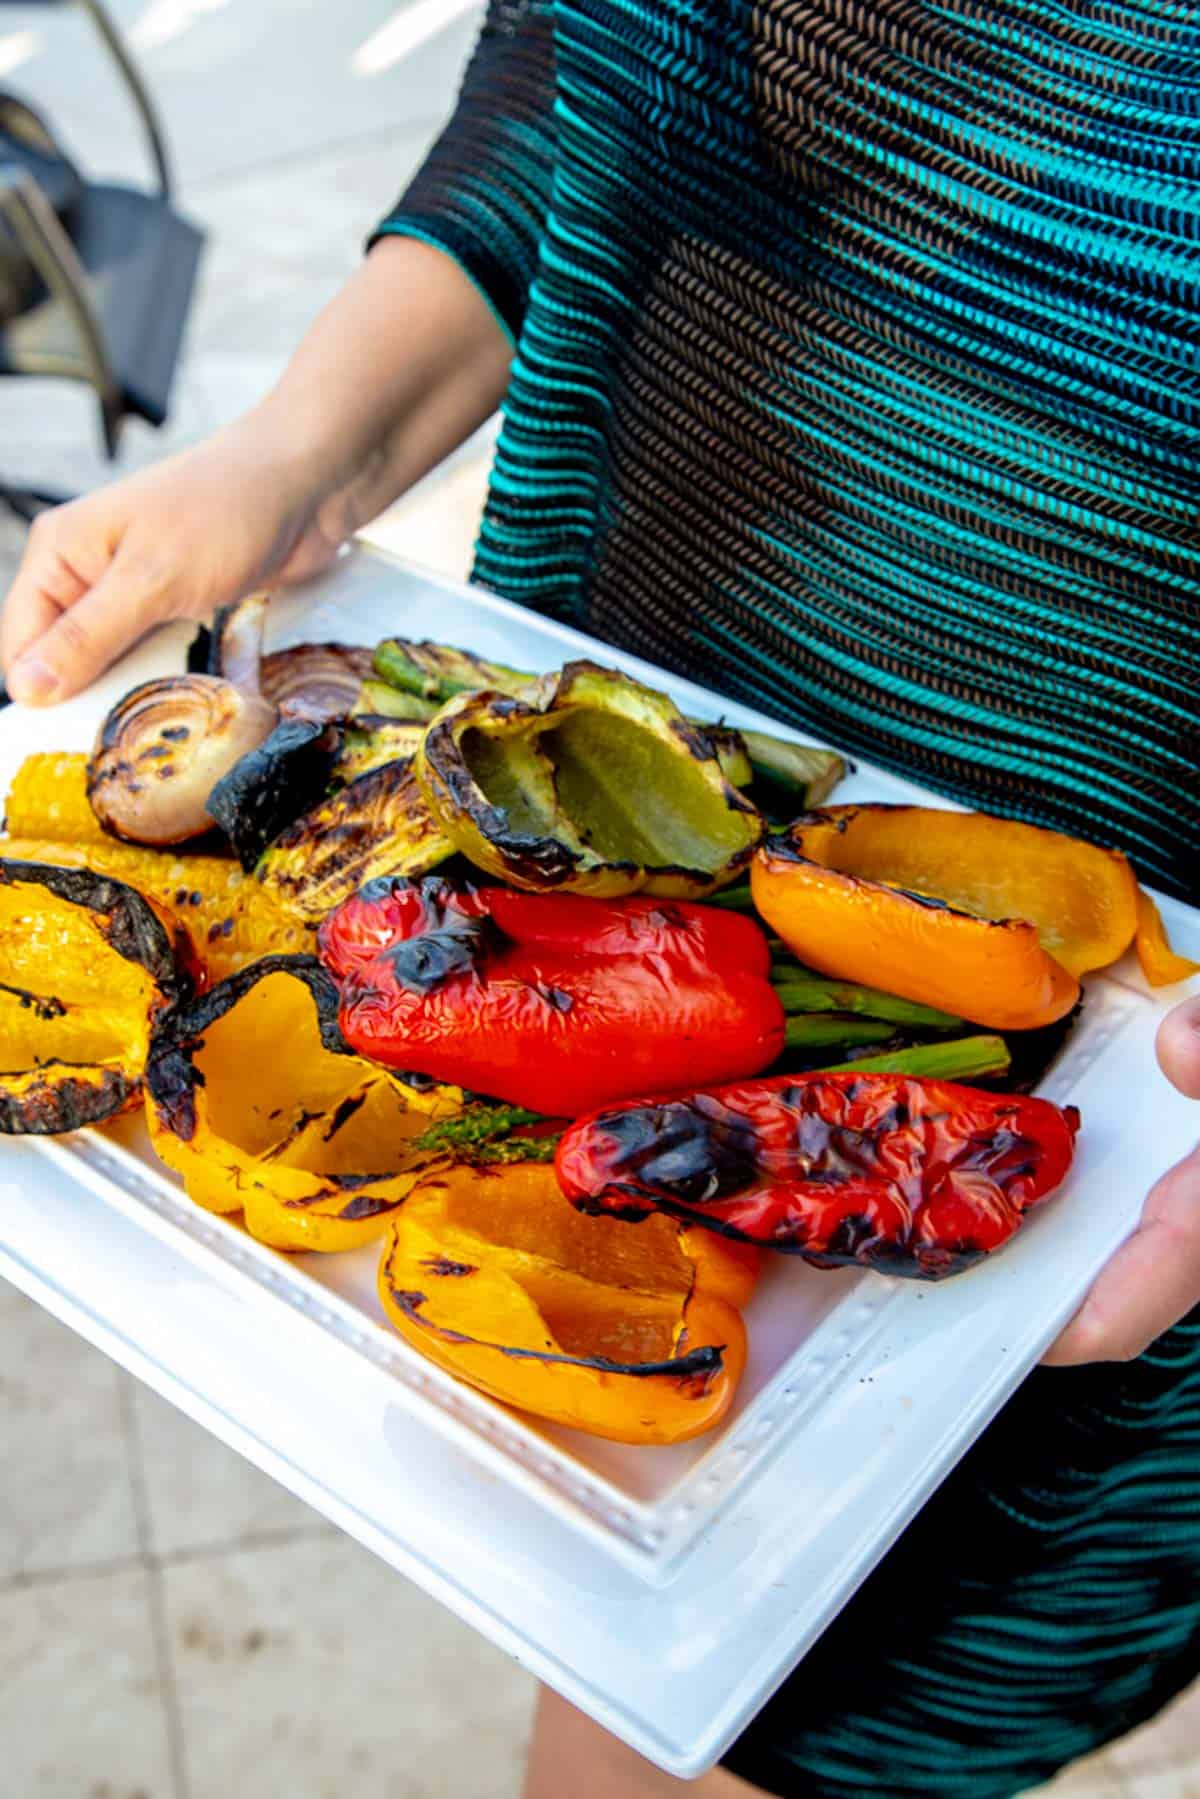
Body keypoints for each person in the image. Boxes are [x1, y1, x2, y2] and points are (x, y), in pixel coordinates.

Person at [4, 4, 1200, 1794]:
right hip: (597, 750)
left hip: (1124, 1031)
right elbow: (583, 78)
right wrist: (303, 453)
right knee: (584, 1558)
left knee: (777, 1706)